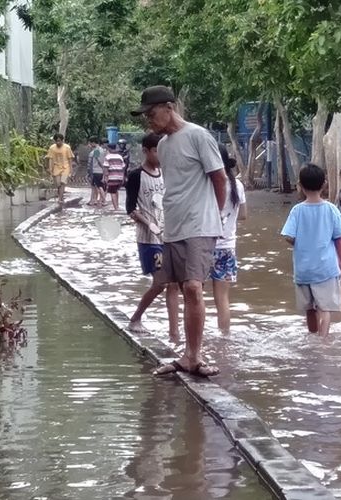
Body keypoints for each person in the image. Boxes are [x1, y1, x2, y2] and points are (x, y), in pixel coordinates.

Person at [132, 85, 227, 377]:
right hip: (173, 226)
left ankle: (194, 357)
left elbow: (219, 178)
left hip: (199, 224)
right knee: (177, 287)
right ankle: (187, 354)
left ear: (169, 107)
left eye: (151, 113)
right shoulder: (162, 146)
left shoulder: (198, 136)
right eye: (146, 115)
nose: (148, 119)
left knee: (193, 287)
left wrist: (214, 216)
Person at [281, 163, 341, 337]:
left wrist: (302, 244)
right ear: (324, 185)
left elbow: (288, 236)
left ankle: (312, 337)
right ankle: (323, 340)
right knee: (325, 308)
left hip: (303, 270)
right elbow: (339, 241)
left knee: (309, 309)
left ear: (300, 186)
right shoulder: (331, 210)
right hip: (325, 269)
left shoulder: (297, 211)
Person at [125, 133, 180, 342]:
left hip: (170, 235)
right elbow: (130, 209)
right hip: (148, 238)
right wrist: (148, 223)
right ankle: (136, 318)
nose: (160, 154)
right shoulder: (136, 176)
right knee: (160, 283)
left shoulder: (166, 172)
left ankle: (174, 333)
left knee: (174, 284)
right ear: (146, 151)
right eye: (156, 150)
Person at [210, 144, 247, 333]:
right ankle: (224, 338)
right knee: (222, 299)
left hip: (204, 246)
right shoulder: (237, 185)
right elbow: (243, 215)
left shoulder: (206, 182)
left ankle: (193, 343)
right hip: (227, 247)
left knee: (194, 297)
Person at [45, 133, 74, 205]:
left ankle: (60, 199)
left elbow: (70, 159)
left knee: (62, 182)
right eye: (57, 141)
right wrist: (50, 169)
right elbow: (50, 159)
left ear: (62, 140)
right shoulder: (52, 148)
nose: (58, 142)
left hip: (65, 167)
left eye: (59, 141)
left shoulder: (67, 147)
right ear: (55, 141)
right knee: (58, 184)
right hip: (56, 167)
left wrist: (71, 170)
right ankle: (60, 195)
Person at [103, 143, 126, 210]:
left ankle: (116, 208)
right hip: (120, 177)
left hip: (112, 177)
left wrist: (105, 178)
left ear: (109, 148)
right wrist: (123, 177)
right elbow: (123, 167)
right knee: (116, 191)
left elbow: (106, 168)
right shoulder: (120, 157)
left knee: (112, 192)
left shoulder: (108, 157)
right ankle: (117, 205)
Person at [86, 136, 106, 206]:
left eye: (91, 143)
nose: (90, 144)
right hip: (99, 171)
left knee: (99, 187)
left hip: (96, 171)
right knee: (95, 186)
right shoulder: (101, 150)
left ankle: (104, 200)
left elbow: (98, 160)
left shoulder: (97, 150)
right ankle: (93, 200)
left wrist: (102, 168)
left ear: (94, 143)